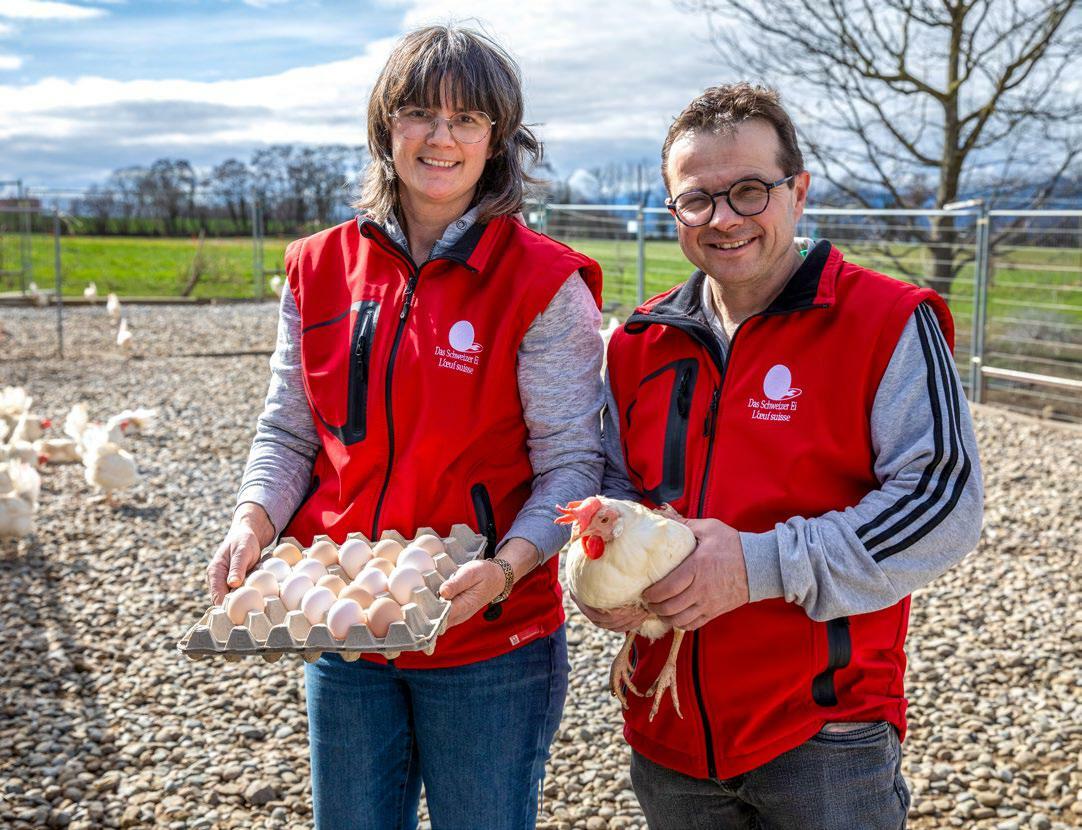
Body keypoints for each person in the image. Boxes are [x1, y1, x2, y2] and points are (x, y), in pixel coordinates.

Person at [206, 25, 605, 830]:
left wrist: (510, 564)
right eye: (419, 112)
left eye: (467, 119)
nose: (441, 136)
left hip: (489, 640)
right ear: (386, 127)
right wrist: (253, 521)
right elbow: (289, 431)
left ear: (498, 141)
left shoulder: (543, 283)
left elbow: (572, 466)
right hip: (346, 637)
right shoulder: (318, 267)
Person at [579, 83, 983, 829]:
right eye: (697, 199)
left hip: (823, 734)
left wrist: (755, 566)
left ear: (797, 191)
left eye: (750, 191)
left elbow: (943, 505)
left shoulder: (887, 322)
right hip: (666, 732)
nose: (724, 218)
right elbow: (610, 488)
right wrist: (601, 572)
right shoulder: (639, 342)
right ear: (673, 211)